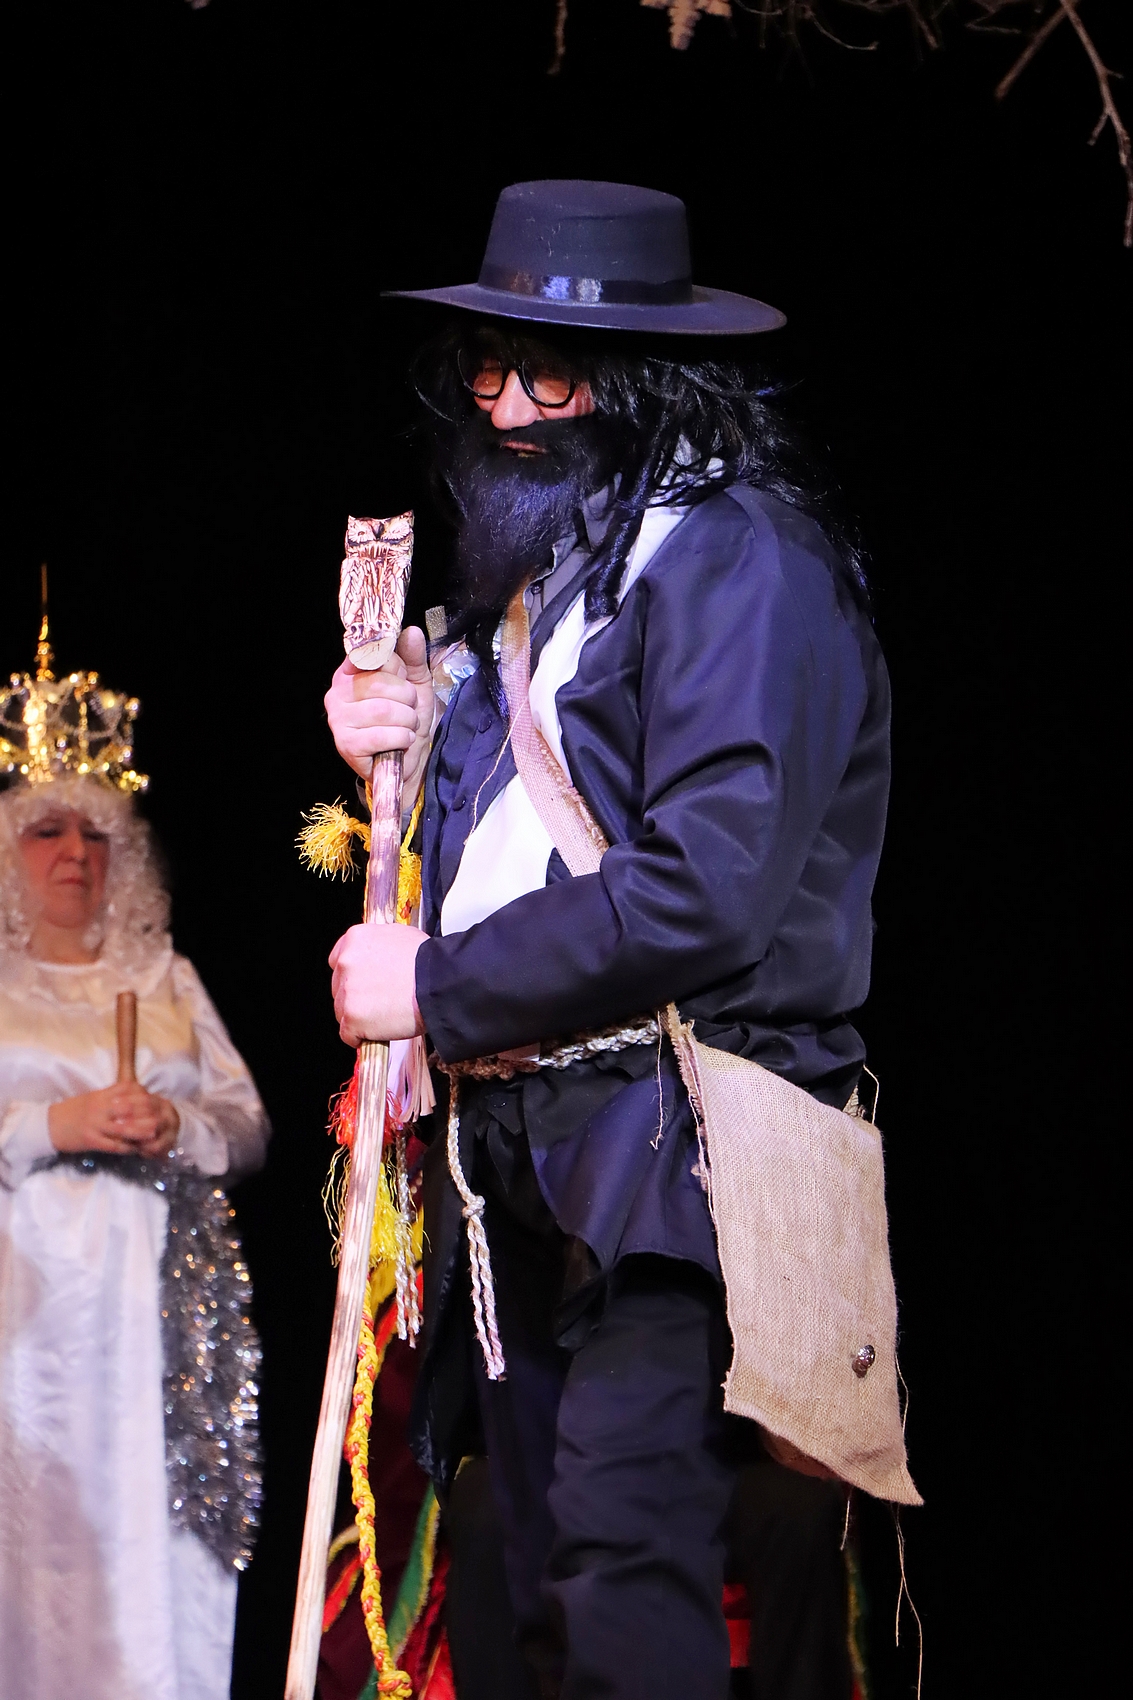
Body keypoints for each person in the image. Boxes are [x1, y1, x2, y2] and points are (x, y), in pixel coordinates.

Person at [324, 180, 891, 1699]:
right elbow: (500, 837)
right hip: (525, 1145)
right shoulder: (549, 575)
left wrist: (436, 984)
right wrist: (393, 736)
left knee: (617, 1562)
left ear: (643, 377)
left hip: (679, 1141)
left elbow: (705, 881)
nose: (509, 407)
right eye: (487, 369)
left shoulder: (739, 558)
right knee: (526, 1579)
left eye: (551, 374)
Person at [0, 641, 268, 1700]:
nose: (75, 853)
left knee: (158, 1523)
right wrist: (52, 1121)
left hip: (159, 1298)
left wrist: (175, 1121)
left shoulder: (166, 976)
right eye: (48, 830)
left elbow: (248, 1125)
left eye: (96, 834)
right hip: (26, 1305)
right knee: (37, 1529)